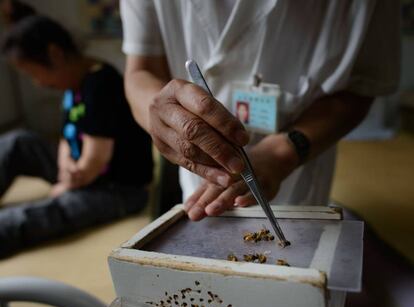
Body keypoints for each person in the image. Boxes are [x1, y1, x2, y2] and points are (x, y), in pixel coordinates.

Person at [120, 1, 399, 222]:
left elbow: (362, 85)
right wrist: (161, 113)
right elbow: (140, 71)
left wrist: (282, 152)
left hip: (302, 165)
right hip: (202, 178)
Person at [0, 15, 153, 258]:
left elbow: (96, 158)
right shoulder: (73, 87)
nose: (37, 83)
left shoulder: (101, 82)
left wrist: (66, 185)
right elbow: (66, 136)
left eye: (34, 73)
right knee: (18, 142)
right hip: (81, 172)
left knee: (39, 215)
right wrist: (64, 165)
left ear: (55, 54)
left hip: (116, 187)